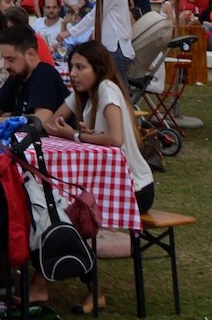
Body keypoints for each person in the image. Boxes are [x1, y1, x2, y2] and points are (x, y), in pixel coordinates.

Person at [49, 40, 155, 213]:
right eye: (72, 67)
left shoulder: (107, 88)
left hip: (135, 188)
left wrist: (77, 136)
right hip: (109, 182)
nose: (73, 74)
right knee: (61, 196)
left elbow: (115, 139)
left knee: (64, 203)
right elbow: (51, 124)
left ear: (99, 69)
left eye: (80, 67)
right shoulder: (84, 94)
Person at [0, 23, 69, 129]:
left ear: (30, 54)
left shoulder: (44, 75)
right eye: (3, 59)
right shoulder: (18, 76)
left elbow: (39, 122)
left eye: (11, 59)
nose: (5, 65)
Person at [92, 0, 134, 78]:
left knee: (119, 90)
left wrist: (71, 32)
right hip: (116, 46)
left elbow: (95, 15)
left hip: (116, 47)